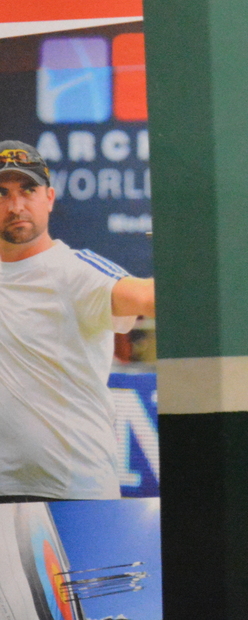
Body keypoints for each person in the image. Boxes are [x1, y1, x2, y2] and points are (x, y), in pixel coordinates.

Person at [0, 140, 155, 501]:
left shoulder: (76, 270)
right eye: (2, 193)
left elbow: (147, 297)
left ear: (49, 198)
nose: (16, 206)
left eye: (28, 190)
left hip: (76, 492)